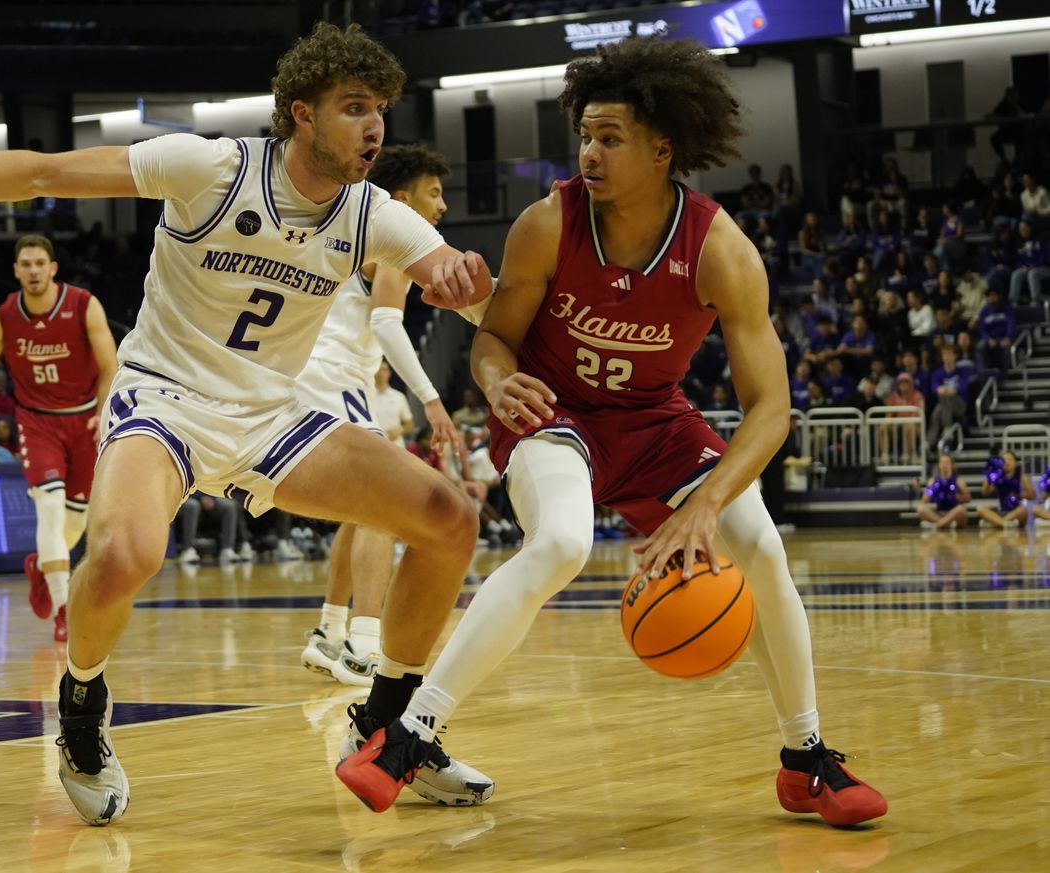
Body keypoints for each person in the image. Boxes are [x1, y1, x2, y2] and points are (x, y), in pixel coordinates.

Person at [0, 21, 495, 826]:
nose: (374, 128)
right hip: (166, 398)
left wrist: (462, 283)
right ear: (301, 114)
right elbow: (47, 169)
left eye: (381, 110)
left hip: (272, 416)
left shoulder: (369, 213)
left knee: (449, 519)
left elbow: (442, 269)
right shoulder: (212, 166)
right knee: (122, 553)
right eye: (354, 107)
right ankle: (80, 709)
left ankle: (387, 722)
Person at [336, 37, 887, 827]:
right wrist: (494, 378)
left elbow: (772, 407)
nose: (589, 152)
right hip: (552, 413)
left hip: (654, 422)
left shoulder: (721, 249)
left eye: (610, 137)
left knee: (758, 545)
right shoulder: (547, 222)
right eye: (585, 135)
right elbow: (493, 340)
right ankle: (411, 732)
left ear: (662, 150)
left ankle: (805, 759)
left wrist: (703, 508)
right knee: (561, 542)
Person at [296, 143, 464, 687]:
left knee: (359, 509)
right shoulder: (392, 242)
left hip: (323, 374)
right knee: (382, 503)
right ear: (401, 198)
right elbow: (389, 325)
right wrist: (431, 398)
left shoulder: (352, 229)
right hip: (330, 375)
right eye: (433, 193)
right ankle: (366, 646)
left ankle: (329, 633)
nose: (441, 206)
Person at [0, 234, 119, 642]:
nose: (33, 271)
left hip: (84, 420)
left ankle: (42, 565)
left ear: (52, 269)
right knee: (49, 512)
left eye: (40, 264)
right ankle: (63, 608)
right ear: (16, 271)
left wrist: (104, 408)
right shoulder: (2, 318)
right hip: (37, 423)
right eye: (26, 264)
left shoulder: (84, 305)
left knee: (75, 522)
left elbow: (111, 365)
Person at [977, 451, 1032, 528]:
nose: (1006, 462)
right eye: (1004, 460)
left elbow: (1032, 495)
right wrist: (988, 477)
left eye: (1009, 459)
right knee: (980, 508)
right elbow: (985, 492)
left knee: (1023, 510)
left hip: (1016, 512)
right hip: (1002, 511)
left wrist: (1017, 495)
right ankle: (1004, 523)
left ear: (1015, 463)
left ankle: (999, 522)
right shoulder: (998, 477)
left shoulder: (1022, 477)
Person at [918, 453, 970, 529]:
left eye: (947, 462)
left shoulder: (958, 481)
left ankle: (937, 525)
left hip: (954, 512)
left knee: (961, 509)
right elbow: (924, 499)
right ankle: (944, 524)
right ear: (939, 465)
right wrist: (932, 489)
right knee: (921, 509)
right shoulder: (933, 481)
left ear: (952, 465)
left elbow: (968, 498)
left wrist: (956, 496)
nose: (944, 465)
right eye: (942, 462)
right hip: (938, 512)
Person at [370, 360, 413, 443]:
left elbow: (410, 424)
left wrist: (400, 429)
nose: (381, 373)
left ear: (389, 373)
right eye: (378, 369)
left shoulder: (399, 396)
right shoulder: (366, 395)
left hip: (395, 445)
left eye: (384, 369)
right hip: (373, 445)